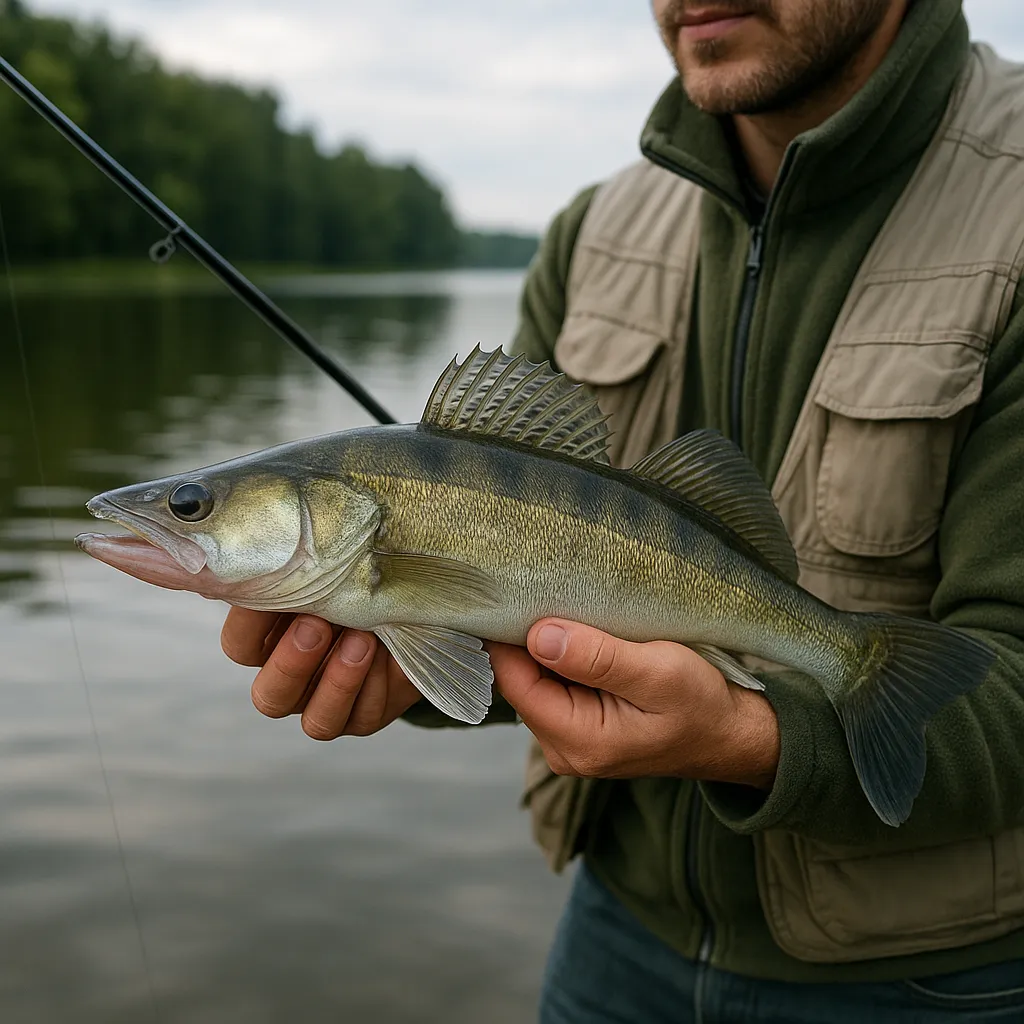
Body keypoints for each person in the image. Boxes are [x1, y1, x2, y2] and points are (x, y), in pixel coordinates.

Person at [220, 0, 1024, 1019]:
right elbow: (538, 623)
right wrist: (407, 660)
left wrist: (752, 737)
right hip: (618, 938)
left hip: (932, 981)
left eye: (196, 509)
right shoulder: (595, 232)